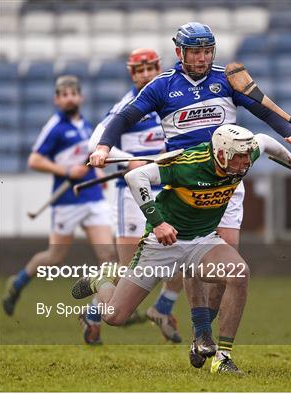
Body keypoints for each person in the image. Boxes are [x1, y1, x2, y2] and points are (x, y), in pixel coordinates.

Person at [88, 22, 291, 363]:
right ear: (179, 51)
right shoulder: (162, 86)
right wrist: (104, 147)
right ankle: (198, 331)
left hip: (226, 181)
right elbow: (123, 118)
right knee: (190, 252)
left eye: (208, 51)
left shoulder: (227, 79)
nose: (202, 58)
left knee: (224, 270)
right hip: (184, 181)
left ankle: (206, 339)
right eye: (195, 51)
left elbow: (265, 113)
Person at [72, 124, 291, 374]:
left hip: (203, 241)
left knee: (239, 273)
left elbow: (264, 140)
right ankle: (100, 283)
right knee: (114, 316)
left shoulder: (244, 153)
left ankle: (222, 358)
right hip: (162, 245)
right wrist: (158, 223)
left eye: (246, 157)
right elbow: (135, 177)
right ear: (221, 154)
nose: (244, 164)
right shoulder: (187, 164)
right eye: (238, 158)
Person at [2, 76, 117, 324]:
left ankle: (94, 314)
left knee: (108, 254)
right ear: (57, 99)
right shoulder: (54, 127)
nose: (69, 98)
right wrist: (66, 171)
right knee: (54, 257)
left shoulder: (86, 126)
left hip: (93, 198)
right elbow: (34, 160)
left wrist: (97, 173)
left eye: (73, 93)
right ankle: (18, 282)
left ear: (81, 97)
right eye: (64, 94)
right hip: (67, 202)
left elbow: (89, 157)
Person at [87, 48, 183, 345]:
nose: (145, 75)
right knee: (131, 271)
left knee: (184, 253)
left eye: (150, 69)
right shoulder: (127, 105)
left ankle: (162, 308)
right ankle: (93, 310)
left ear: (158, 68)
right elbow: (96, 142)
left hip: (166, 189)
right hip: (130, 194)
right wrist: (129, 159)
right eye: (139, 71)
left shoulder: (168, 99)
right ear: (132, 74)